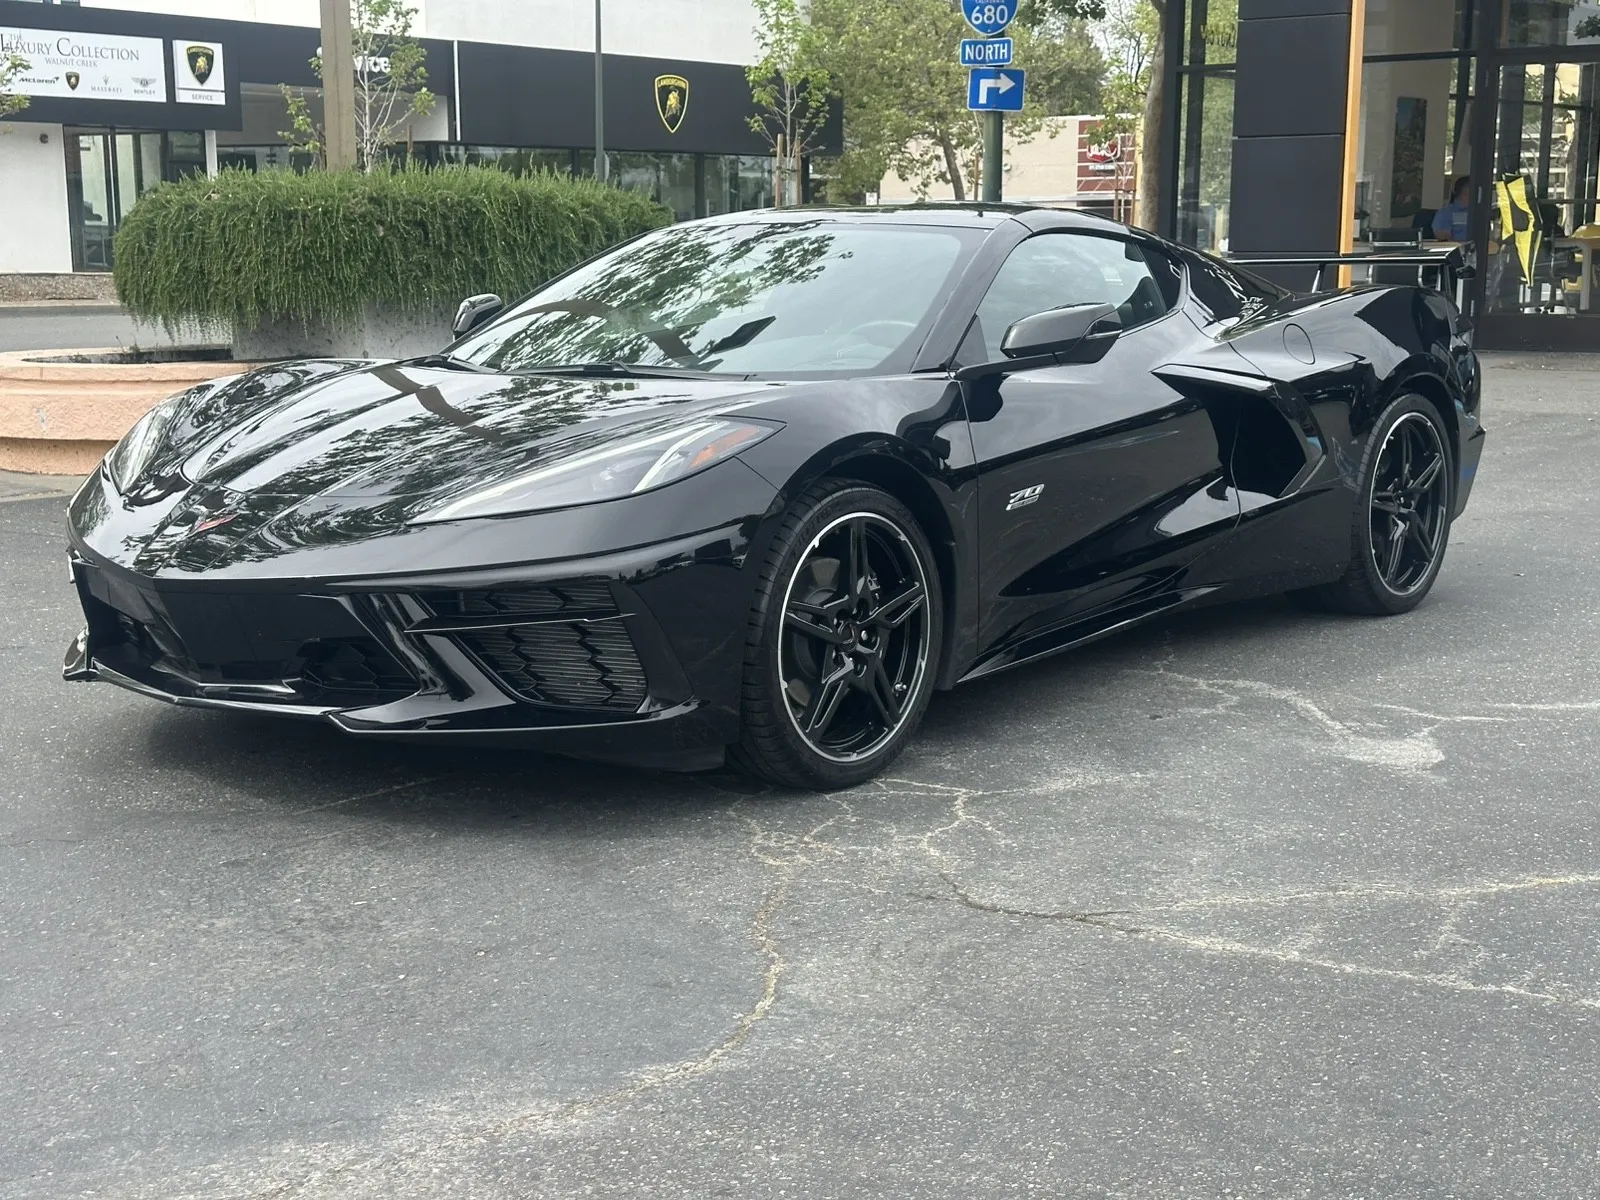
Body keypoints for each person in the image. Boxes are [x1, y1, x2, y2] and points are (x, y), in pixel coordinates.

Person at [1432, 176, 1472, 243]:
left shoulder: (1478, 212)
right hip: (1459, 251)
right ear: (1465, 192)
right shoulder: (1446, 213)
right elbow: (1444, 241)